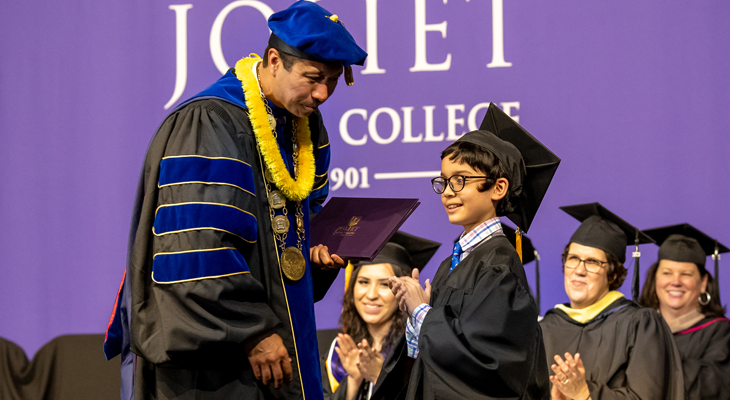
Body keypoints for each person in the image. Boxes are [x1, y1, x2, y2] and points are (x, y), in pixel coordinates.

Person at [101, 2, 367, 399]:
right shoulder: (211, 122)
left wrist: (315, 255)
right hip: (221, 356)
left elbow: (295, 227)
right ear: (274, 60)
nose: (323, 93)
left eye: (331, 80)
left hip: (286, 336)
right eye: (313, 78)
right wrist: (253, 330)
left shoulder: (303, 126)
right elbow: (196, 247)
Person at [373, 103, 561, 400]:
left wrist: (422, 312)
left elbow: (489, 366)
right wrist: (414, 320)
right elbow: (431, 364)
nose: (448, 191)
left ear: (498, 188)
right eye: (444, 181)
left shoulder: (498, 266)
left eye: (460, 180)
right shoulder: (453, 263)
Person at [539, 203, 685, 400]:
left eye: (592, 262)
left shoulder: (640, 325)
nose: (579, 270)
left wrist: (584, 394)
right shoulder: (547, 327)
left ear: (612, 274)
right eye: (573, 258)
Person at [322, 232, 440, 400]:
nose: (371, 294)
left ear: (402, 290)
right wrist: (353, 381)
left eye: (384, 284)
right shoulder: (335, 350)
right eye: (363, 282)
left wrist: (379, 375)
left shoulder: (419, 349)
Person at [639, 223, 730, 399]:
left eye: (686, 274)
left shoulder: (722, 333)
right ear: (655, 278)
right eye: (667, 273)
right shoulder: (639, 328)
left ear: (703, 283)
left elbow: (717, 386)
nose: (675, 281)